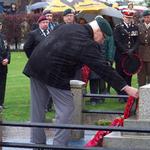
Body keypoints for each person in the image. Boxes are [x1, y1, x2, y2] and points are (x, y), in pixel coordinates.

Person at [23, 16, 138, 147]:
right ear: (98, 31)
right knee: (66, 110)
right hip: (55, 74)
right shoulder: (86, 43)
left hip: (35, 66)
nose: (102, 42)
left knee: (37, 110)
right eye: (104, 37)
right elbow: (103, 68)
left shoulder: (68, 26)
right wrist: (126, 88)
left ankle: (37, 144)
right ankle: (59, 145)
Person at [114, 9, 139, 103]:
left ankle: (128, 95)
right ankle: (121, 95)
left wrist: (132, 50)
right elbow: (117, 41)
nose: (128, 19)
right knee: (120, 75)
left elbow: (137, 41)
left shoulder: (135, 27)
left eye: (130, 18)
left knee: (129, 75)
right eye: (126, 17)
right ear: (123, 17)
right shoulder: (118, 27)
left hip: (131, 56)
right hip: (121, 55)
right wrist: (125, 50)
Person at [137, 10, 150, 87]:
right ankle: (141, 92)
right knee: (141, 74)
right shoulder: (139, 26)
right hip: (141, 52)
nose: (147, 19)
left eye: (148, 17)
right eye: (145, 17)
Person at [0, 21, 10, 110]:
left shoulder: (3, 37)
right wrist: (1, 60)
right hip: (1, 63)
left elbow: (8, 49)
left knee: (3, 84)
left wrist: (7, 59)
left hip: (4, 66)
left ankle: (1, 103)